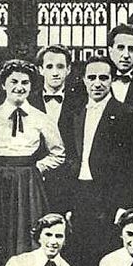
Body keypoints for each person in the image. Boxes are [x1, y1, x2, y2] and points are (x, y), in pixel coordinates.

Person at [59, 55, 133, 266]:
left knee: (106, 255)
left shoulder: (127, 114)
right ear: (84, 80)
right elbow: (67, 159)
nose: (97, 83)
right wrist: (67, 203)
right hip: (80, 195)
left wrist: (123, 205)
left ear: (111, 80)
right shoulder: (74, 113)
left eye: (103, 78)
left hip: (109, 197)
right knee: (79, 254)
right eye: (92, 78)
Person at [0, 59, 65, 266]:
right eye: (13, 82)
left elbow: (58, 153)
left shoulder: (41, 118)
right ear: (4, 85)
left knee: (28, 232)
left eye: (25, 83)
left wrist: (37, 167)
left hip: (29, 183)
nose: (19, 87)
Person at [28, 44, 85, 212]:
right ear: (40, 69)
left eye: (60, 67)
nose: (55, 72)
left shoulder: (81, 101)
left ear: (68, 70)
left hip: (70, 180)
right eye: (49, 66)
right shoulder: (29, 101)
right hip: (36, 178)